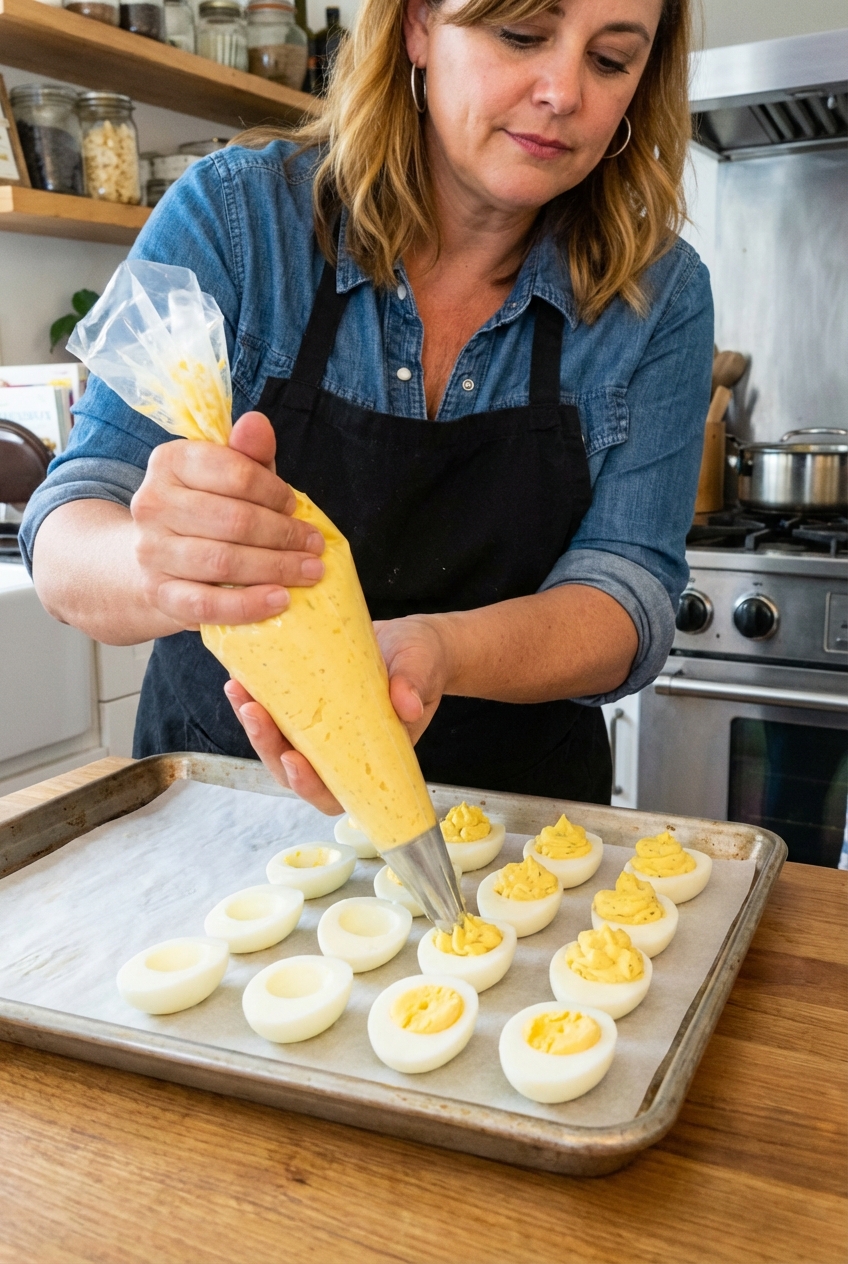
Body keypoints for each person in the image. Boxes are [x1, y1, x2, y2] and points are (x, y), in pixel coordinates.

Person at [21, 0, 712, 818]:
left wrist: (439, 654)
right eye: (521, 35)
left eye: (611, 61)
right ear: (418, 25)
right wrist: (163, 560)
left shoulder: (659, 294)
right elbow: (68, 533)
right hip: (224, 806)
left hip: (515, 828)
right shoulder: (238, 221)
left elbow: (628, 592)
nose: (563, 91)